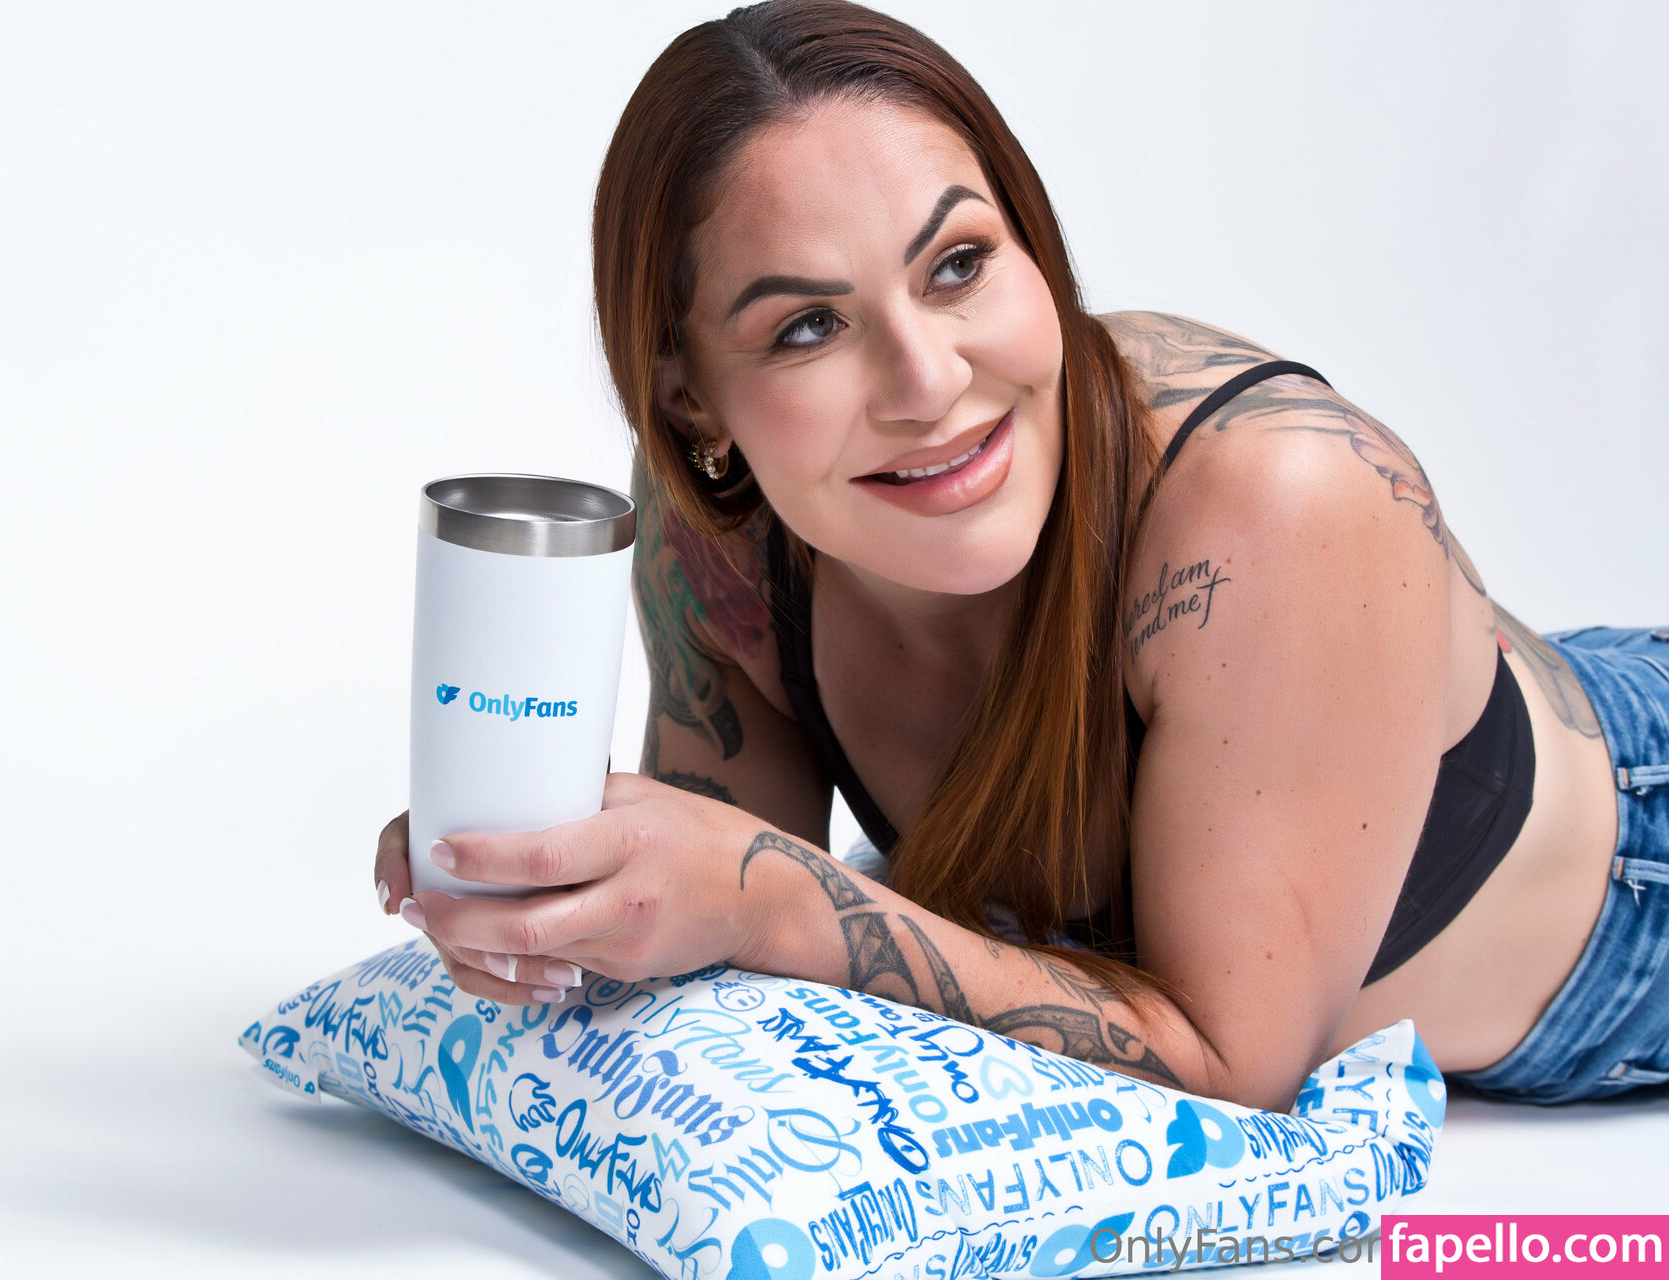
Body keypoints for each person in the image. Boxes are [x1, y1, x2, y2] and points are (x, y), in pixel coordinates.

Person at [372, 0, 1669, 1109]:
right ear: (693, 404)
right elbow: (721, 957)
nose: (930, 383)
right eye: (809, 327)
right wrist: (540, 893)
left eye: (958, 265)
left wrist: (776, 901)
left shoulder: (1275, 502)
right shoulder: (714, 539)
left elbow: (1233, 1070)